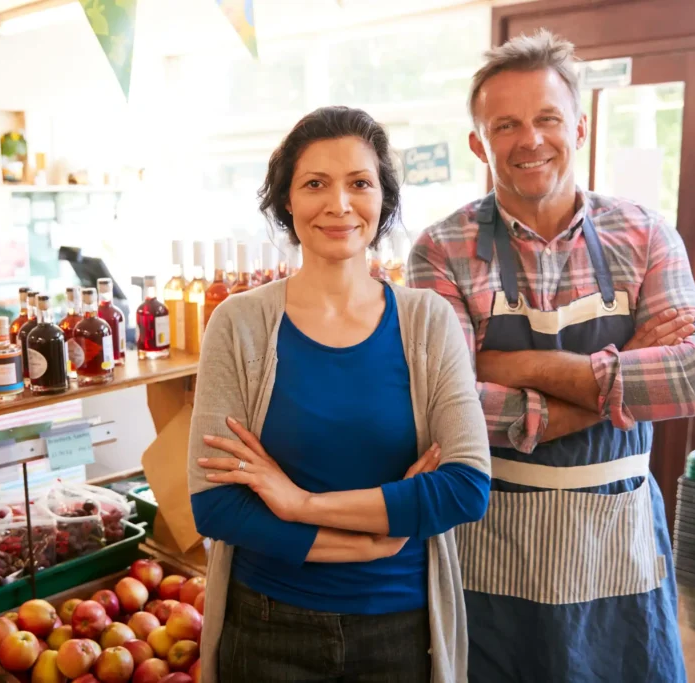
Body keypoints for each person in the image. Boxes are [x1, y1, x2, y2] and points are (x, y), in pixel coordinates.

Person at [408, 30, 695, 682]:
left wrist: (513, 367)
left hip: (620, 541)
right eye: (506, 124)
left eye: (547, 118)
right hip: (495, 546)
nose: (531, 139)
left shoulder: (643, 232)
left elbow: (692, 375)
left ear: (578, 127)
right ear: (479, 143)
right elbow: (447, 409)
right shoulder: (440, 250)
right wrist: (625, 378)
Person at [187, 106, 492, 683]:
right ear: (286, 202)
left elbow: (465, 487)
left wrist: (300, 505)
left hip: (400, 629)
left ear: (383, 201)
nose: (339, 204)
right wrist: (369, 542)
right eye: (315, 184)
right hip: (266, 625)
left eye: (359, 183)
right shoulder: (240, 323)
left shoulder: (428, 322)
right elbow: (216, 503)